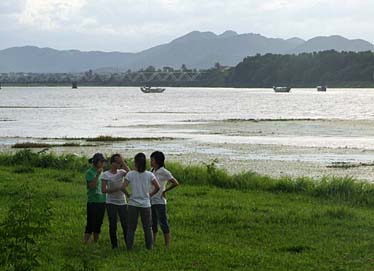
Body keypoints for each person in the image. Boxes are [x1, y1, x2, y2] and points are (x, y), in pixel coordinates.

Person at [123, 153, 160, 250]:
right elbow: (158, 187)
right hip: (145, 204)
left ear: (135, 162)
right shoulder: (149, 174)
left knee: (131, 227)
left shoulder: (130, 174)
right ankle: (150, 247)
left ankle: (129, 247)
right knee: (148, 227)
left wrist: (128, 195)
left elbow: (122, 187)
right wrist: (150, 195)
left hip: (132, 204)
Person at [150, 151, 179, 248]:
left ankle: (167, 244)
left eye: (152, 159)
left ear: (157, 161)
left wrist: (164, 191)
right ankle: (152, 242)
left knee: (163, 222)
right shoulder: (152, 170)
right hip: (151, 200)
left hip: (160, 201)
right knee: (153, 222)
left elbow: (175, 182)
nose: (151, 161)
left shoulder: (164, 172)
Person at [101, 154, 130, 249]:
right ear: (112, 163)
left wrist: (123, 162)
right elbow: (103, 190)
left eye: (119, 162)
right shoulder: (105, 174)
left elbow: (130, 174)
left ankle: (128, 243)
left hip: (122, 201)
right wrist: (117, 188)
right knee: (113, 224)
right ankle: (114, 245)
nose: (119, 164)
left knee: (125, 223)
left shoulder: (121, 172)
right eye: (117, 162)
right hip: (111, 202)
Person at [84, 153, 107, 244]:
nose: (103, 164)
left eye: (103, 162)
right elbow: (91, 186)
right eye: (101, 162)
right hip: (93, 201)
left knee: (99, 222)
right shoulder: (90, 172)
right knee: (91, 222)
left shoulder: (102, 172)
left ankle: (95, 241)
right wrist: (97, 175)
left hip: (102, 200)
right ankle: (86, 241)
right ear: (96, 162)